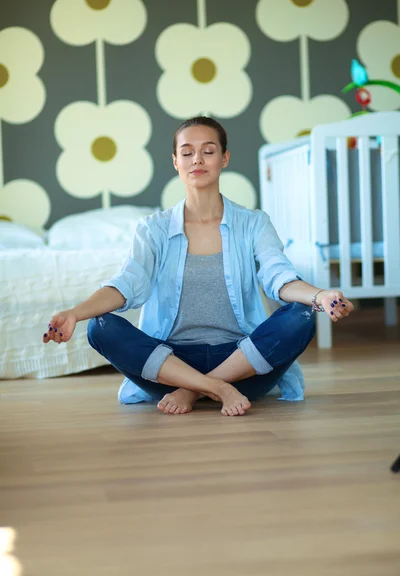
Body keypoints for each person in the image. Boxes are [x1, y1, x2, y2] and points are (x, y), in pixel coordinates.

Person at [43, 116, 354, 416]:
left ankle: (193, 389)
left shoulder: (254, 223)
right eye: (187, 152)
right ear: (176, 162)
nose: (197, 160)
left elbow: (280, 278)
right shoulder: (154, 229)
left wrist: (320, 296)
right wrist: (75, 314)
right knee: (99, 325)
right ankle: (216, 387)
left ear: (224, 158)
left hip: (243, 362)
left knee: (301, 314)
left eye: (208, 151)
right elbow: (126, 284)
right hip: (169, 364)